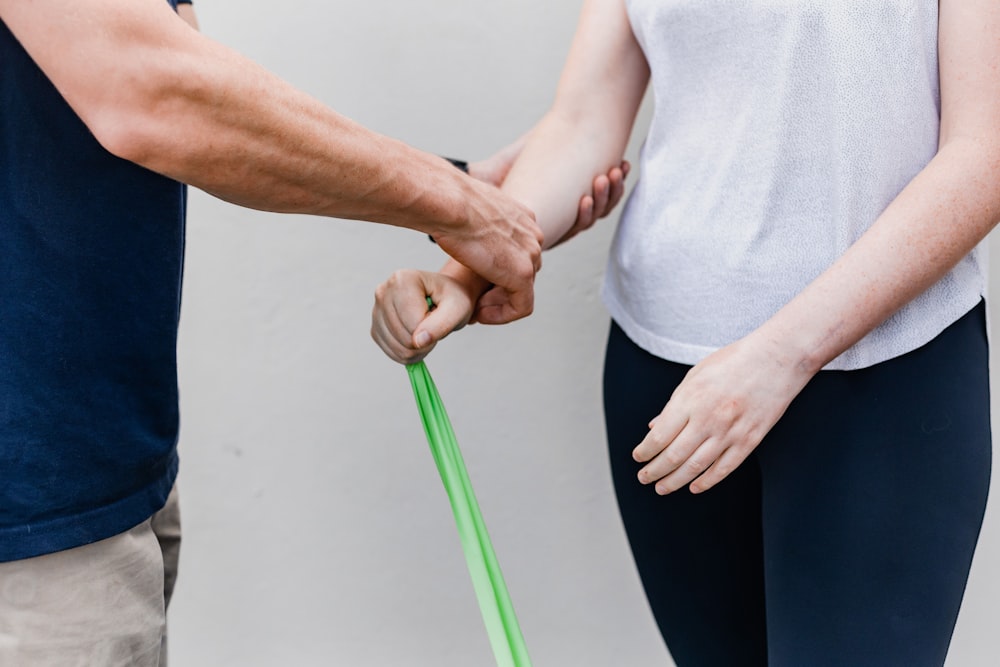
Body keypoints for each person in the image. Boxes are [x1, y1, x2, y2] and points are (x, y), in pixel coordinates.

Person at [371, 1, 1000, 665]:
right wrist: (465, 274)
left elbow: (983, 151)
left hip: (884, 377)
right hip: (669, 383)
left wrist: (781, 353)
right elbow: (584, 120)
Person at [0, 0, 627, 664]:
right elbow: (148, 89)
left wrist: (463, 188)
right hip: (29, 526)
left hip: (100, 473)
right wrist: (459, 205)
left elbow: (192, 83)